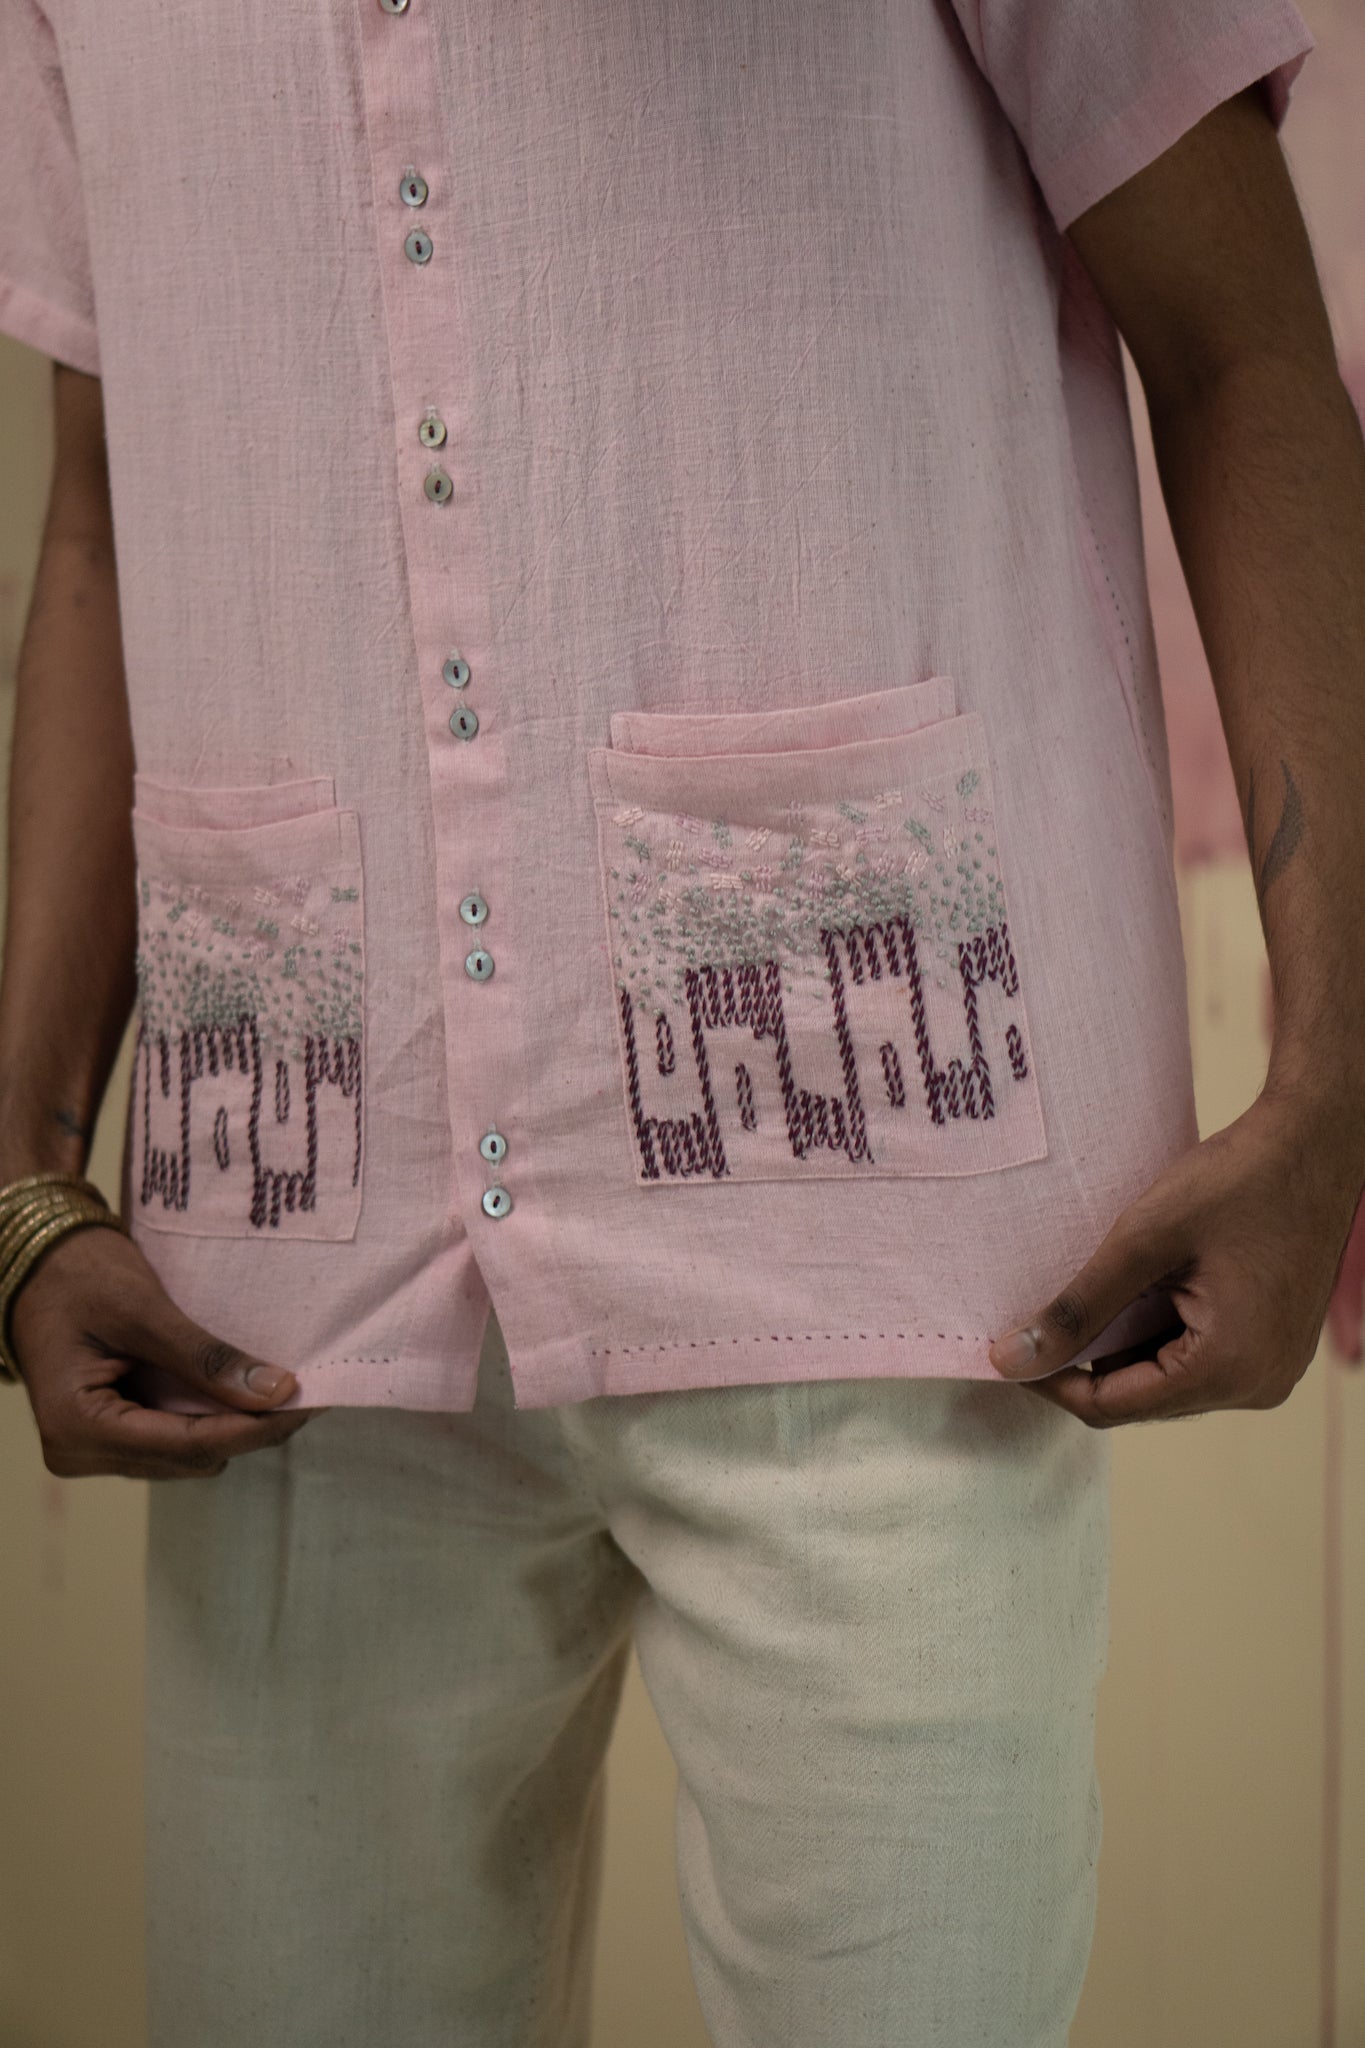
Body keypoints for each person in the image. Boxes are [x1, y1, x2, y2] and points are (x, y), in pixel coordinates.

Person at [1, 1, 1362, 2041]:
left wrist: (1332, 1082)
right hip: (289, 1295)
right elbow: (107, 504)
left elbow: (1244, 351)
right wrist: (24, 1174)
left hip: (890, 1268)